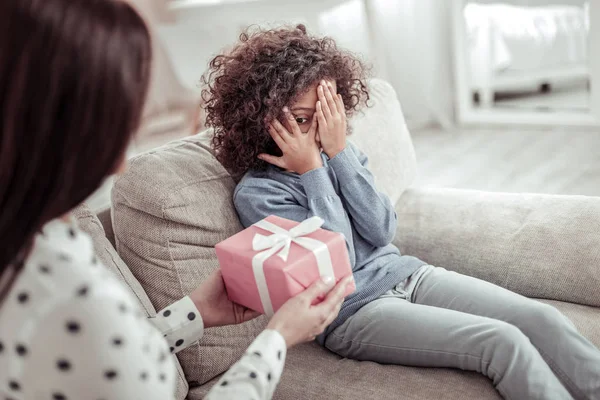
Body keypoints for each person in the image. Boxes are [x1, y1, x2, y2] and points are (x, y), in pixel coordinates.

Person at [201, 24, 600, 400]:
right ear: (263, 120)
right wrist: (313, 172)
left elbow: (381, 229)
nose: (316, 136)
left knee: (540, 319)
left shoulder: (338, 153)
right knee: (502, 342)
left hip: (409, 275)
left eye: (324, 118)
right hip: (354, 312)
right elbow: (339, 263)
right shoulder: (258, 194)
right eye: (303, 120)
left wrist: (338, 155)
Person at [0, 2, 352, 399]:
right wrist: (276, 338)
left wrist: (194, 313)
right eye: (120, 121)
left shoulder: (38, 250)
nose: (119, 162)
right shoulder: (72, 294)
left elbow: (104, 363)